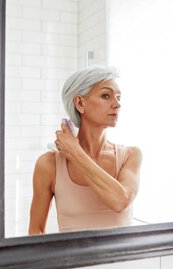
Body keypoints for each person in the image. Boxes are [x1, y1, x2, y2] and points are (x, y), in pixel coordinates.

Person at [29, 66, 142, 234]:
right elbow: (35, 231)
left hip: (126, 261)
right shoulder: (49, 164)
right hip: (71, 261)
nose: (117, 104)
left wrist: (75, 153)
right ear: (80, 103)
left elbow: (121, 200)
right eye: (106, 96)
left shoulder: (130, 155)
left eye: (119, 97)